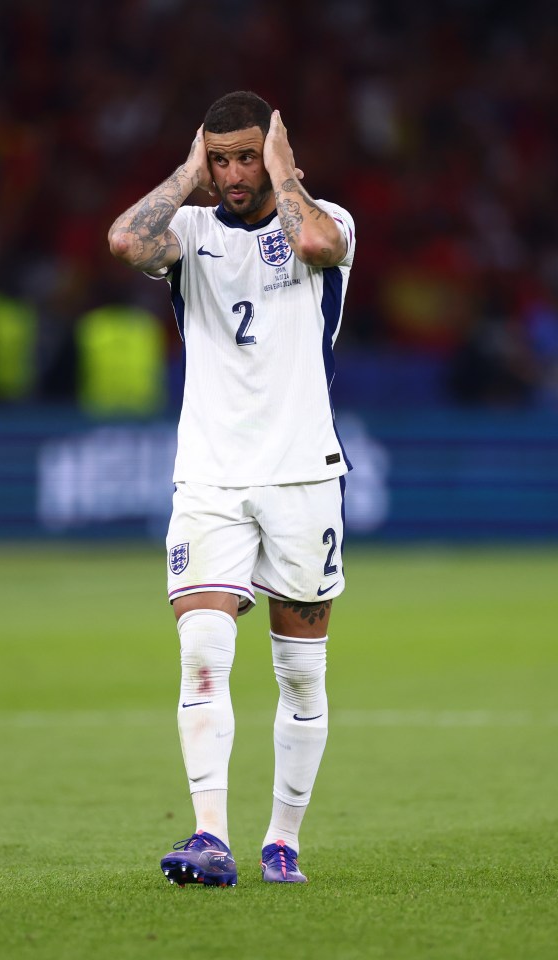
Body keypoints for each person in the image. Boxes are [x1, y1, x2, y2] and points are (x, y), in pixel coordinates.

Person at [108, 90, 356, 886]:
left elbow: (314, 240)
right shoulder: (189, 229)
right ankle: (209, 836)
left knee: (300, 673)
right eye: (222, 158)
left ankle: (282, 838)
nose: (235, 172)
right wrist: (185, 177)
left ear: (274, 155)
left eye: (248, 155)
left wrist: (285, 174)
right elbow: (122, 239)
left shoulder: (329, 220)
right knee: (203, 653)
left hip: (301, 473)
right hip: (210, 475)